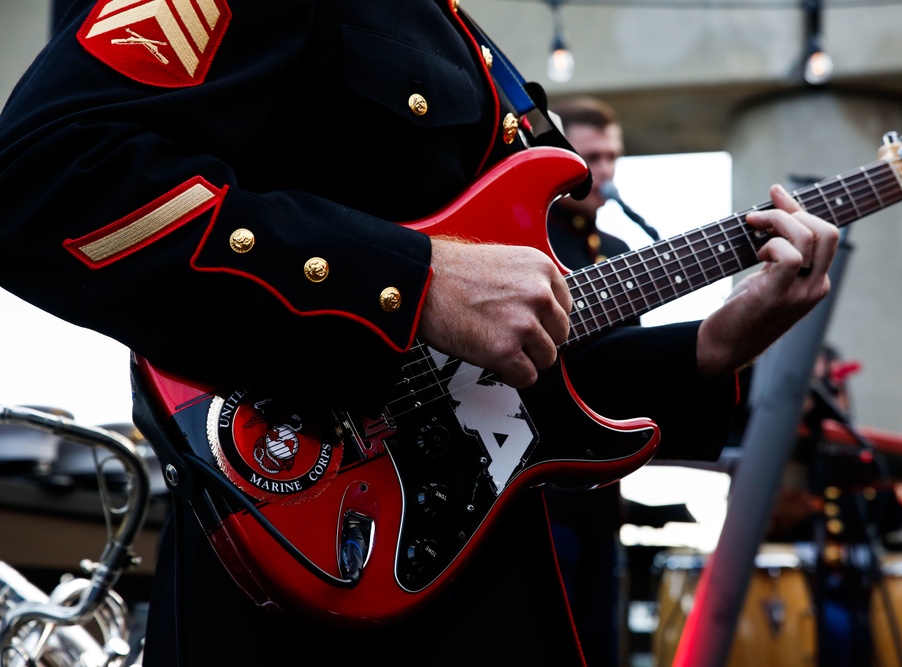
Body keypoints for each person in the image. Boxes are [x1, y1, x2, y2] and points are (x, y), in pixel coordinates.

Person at [0, 3, 840, 665]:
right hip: (307, 582)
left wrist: (717, 343)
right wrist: (412, 279)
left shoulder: (465, 42)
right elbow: (47, 177)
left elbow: (500, 368)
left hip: (484, 575)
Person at [542, 95, 643, 667]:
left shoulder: (622, 252)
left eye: (612, 157)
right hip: (538, 495)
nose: (604, 170)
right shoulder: (529, 241)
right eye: (592, 156)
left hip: (602, 495)